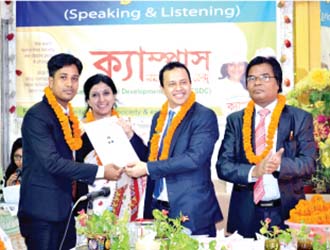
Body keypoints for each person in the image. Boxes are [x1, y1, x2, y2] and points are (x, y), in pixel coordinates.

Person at [18, 53, 122, 250]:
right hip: (42, 214)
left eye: (74, 78)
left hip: (64, 211)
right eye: (63, 77)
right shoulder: (38, 116)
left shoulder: (68, 117)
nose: (69, 84)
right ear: (51, 81)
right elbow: (52, 162)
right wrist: (101, 171)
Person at [216, 56, 317, 238]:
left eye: (264, 77)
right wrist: (254, 171)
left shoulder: (299, 118)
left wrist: (278, 166)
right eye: (252, 78)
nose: (257, 83)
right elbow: (223, 166)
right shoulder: (236, 121)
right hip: (246, 214)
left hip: (286, 213)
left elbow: (309, 163)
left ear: (278, 83)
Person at [120, 61, 222, 237]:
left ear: (190, 83)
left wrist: (147, 168)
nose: (179, 88)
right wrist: (131, 136)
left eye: (183, 82)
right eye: (172, 84)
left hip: (191, 211)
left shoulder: (204, 116)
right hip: (159, 209)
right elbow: (152, 159)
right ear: (163, 88)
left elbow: (194, 158)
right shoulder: (158, 117)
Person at [75, 73, 142, 220]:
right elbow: (75, 170)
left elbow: (145, 159)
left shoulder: (126, 126)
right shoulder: (79, 132)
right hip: (91, 200)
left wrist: (130, 135)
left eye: (106, 93)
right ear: (88, 100)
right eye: (95, 95)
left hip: (123, 200)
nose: (101, 100)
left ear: (114, 96)